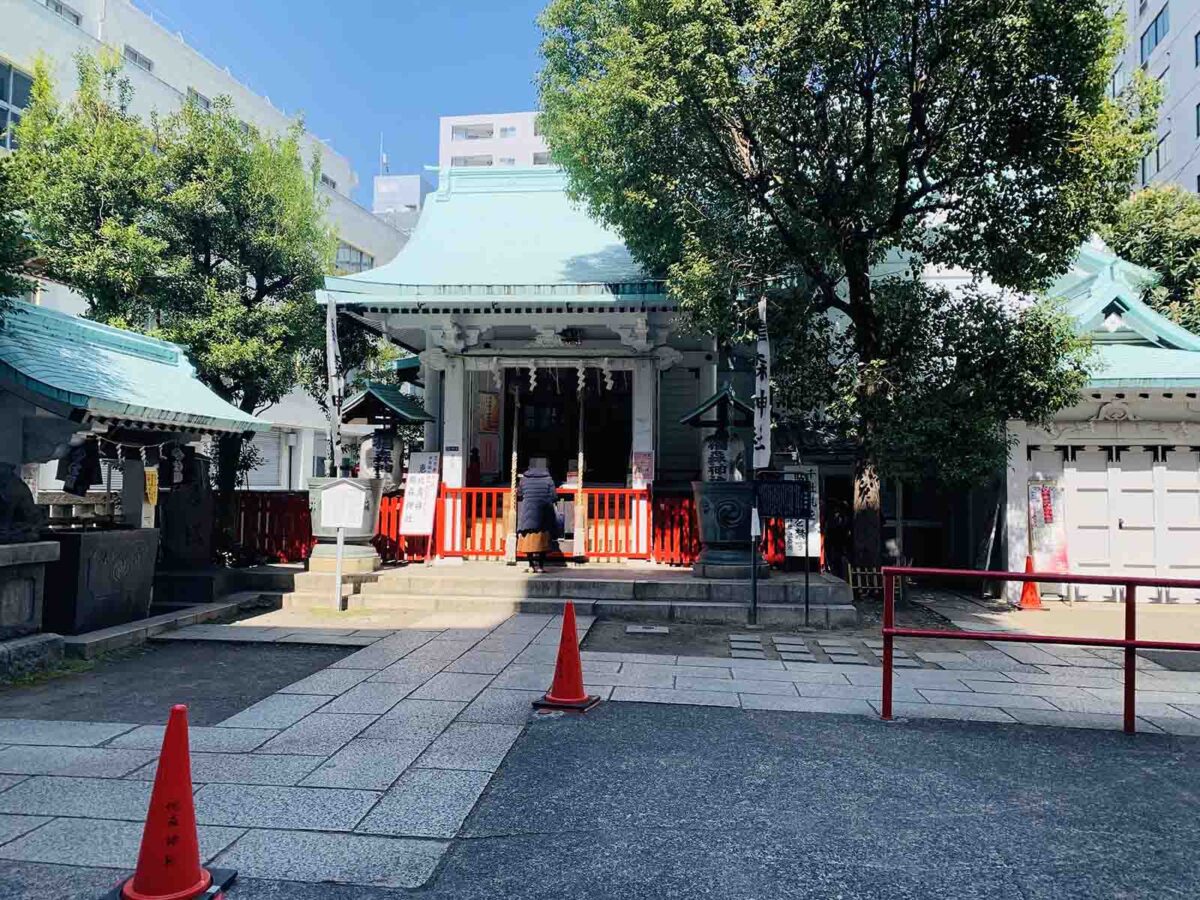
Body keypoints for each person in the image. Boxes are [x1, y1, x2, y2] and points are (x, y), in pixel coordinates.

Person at [516, 456, 557, 573]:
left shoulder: (525, 479)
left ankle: (530, 565)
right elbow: (554, 496)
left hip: (528, 513)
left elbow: (520, 493)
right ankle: (540, 566)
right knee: (542, 542)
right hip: (543, 515)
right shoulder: (548, 479)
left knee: (528, 541)